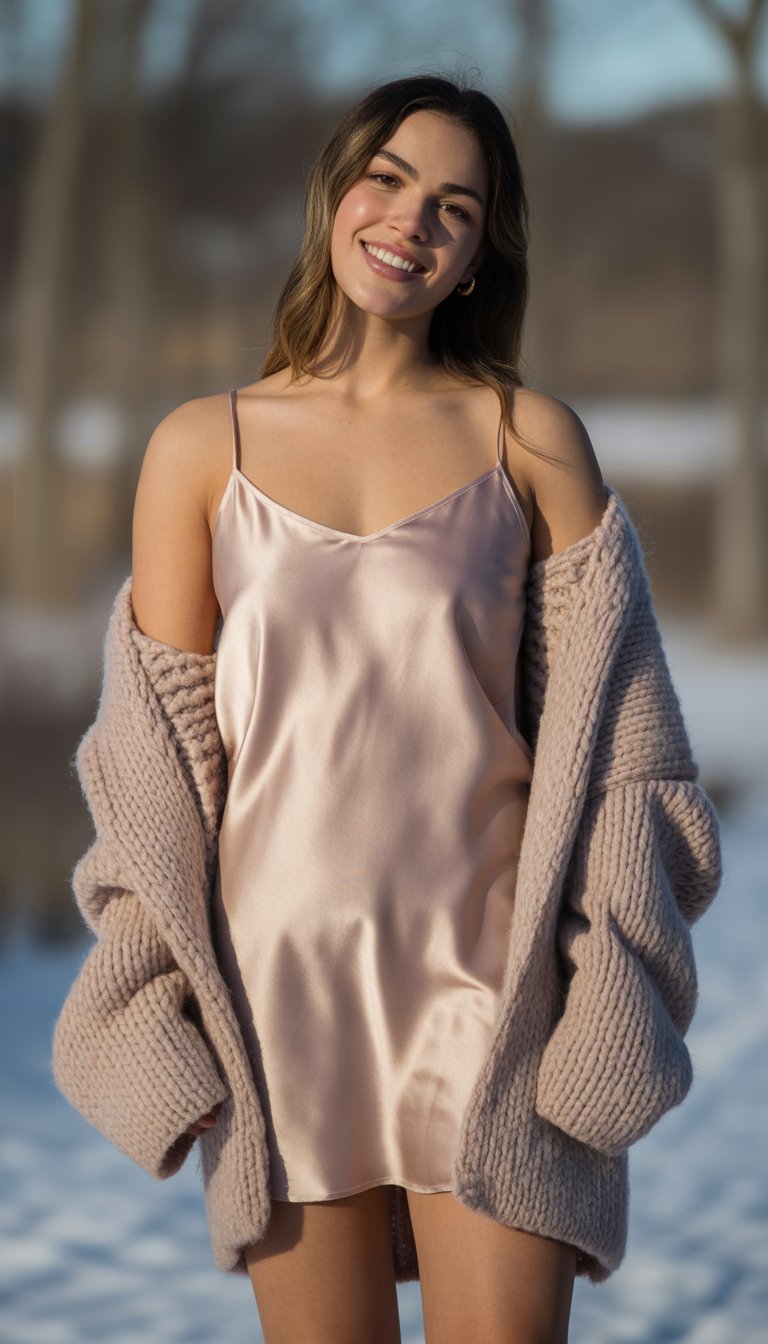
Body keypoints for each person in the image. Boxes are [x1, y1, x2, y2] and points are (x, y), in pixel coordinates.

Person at [53, 73, 722, 1344]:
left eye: (455, 208)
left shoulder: (529, 439)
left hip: (495, 1000)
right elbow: (150, 779)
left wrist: (607, 1003)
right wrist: (155, 1014)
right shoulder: (201, 447)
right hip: (278, 1006)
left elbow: (633, 755)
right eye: (391, 179)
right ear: (336, 193)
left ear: (479, 254)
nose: (411, 223)